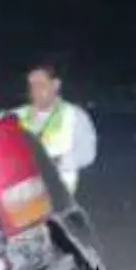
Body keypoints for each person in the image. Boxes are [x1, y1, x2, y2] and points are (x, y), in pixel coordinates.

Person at [15, 64, 96, 195]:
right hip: (20, 196)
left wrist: (54, 162)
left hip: (58, 197)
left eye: (41, 85)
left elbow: (87, 153)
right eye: (31, 85)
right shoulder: (16, 116)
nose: (35, 91)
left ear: (56, 84)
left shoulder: (74, 115)